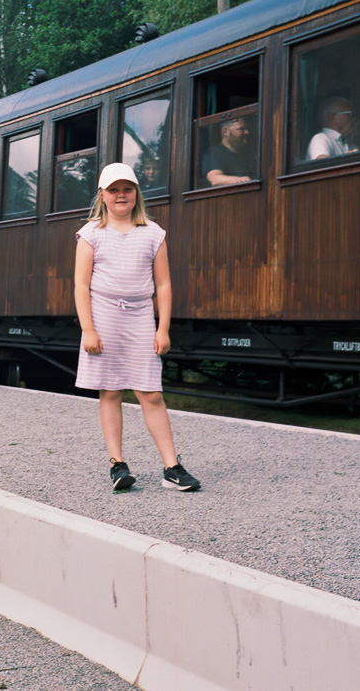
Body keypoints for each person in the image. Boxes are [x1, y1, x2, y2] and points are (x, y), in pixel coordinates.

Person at [75, 162, 200, 493]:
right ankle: (118, 465)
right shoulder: (90, 234)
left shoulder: (153, 233)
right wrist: (88, 329)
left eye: (127, 189)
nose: (120, 195)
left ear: (136, 194)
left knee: (151, 393)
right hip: (103, 316)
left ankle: (172, 467)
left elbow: (164, 285)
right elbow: (80, 285)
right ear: (102, 195)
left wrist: (163, 328)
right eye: (113, 190)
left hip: (141, 316)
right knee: (111, 390)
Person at [202, 116, 254, 186]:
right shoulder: (215, 153)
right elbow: (214, 178)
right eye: (241, 129)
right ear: (225, 132)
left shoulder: (248, 155)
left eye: (247, 128)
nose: (247, 132)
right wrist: (240, 180)